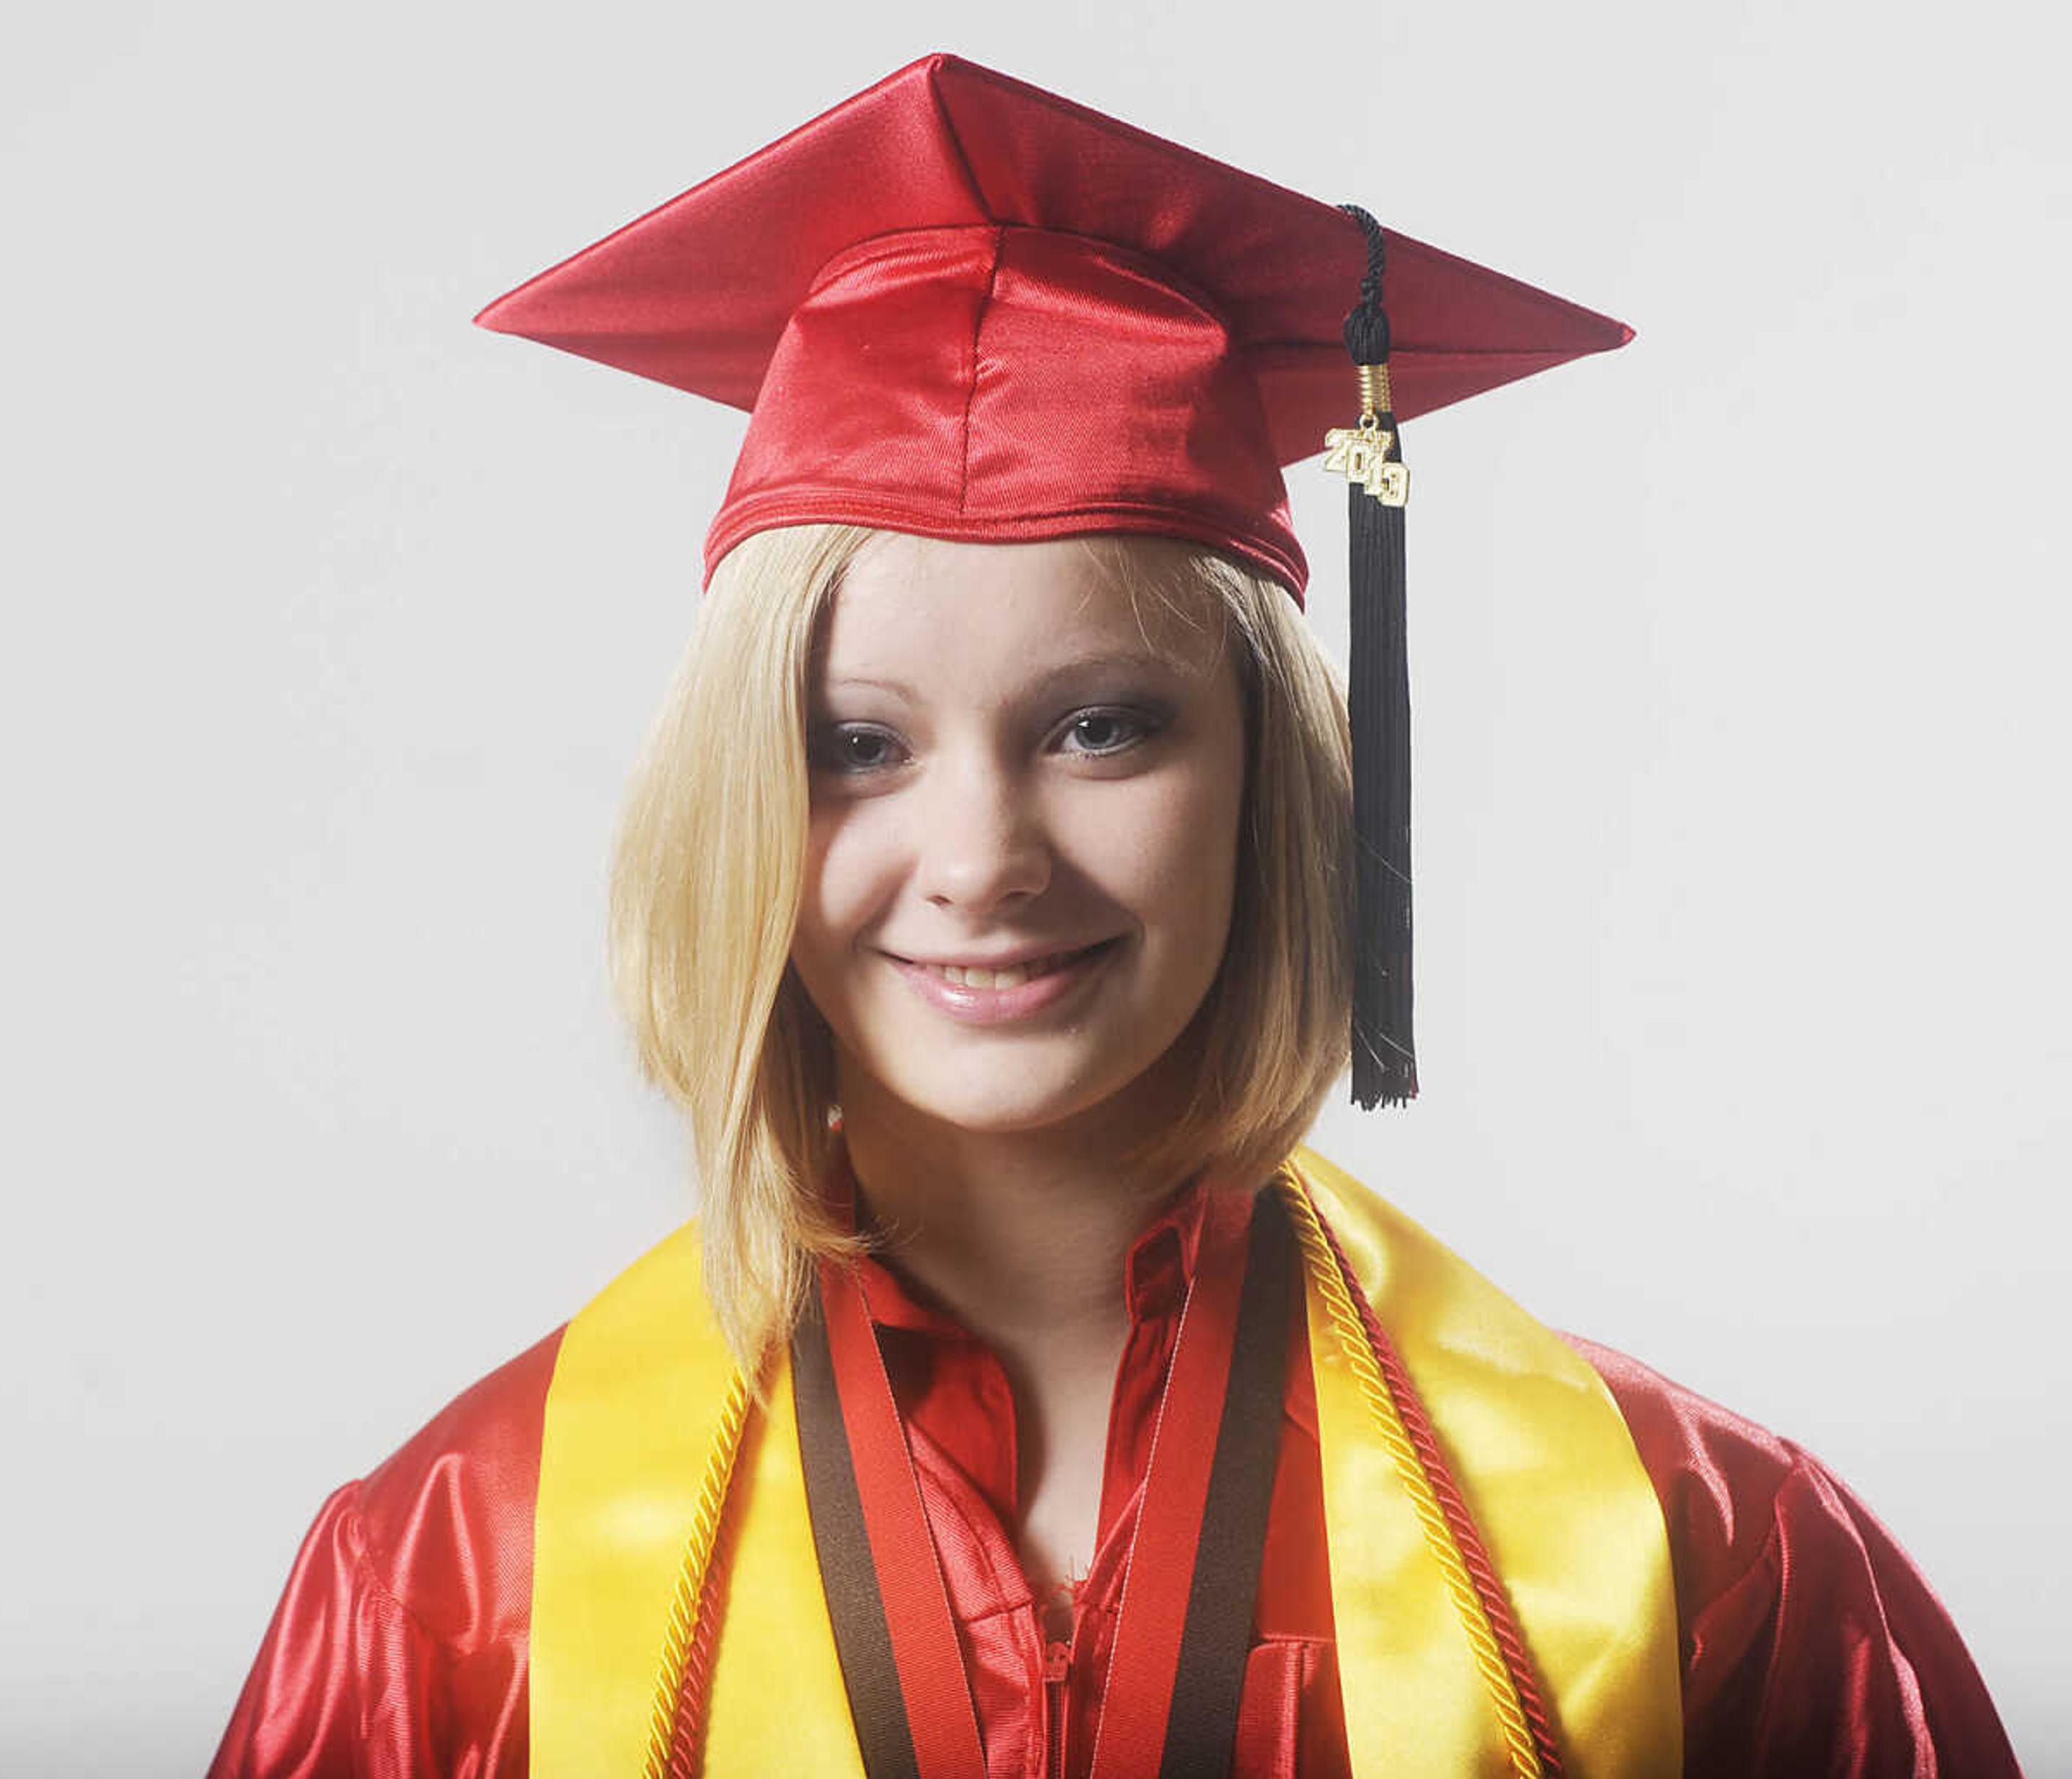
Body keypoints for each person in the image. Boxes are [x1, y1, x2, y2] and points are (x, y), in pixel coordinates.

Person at [208, 54, 2017, 1778]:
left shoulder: (1690, 1563)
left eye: (1102, 725)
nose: (983, 854)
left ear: (1273, 777)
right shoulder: (459, 1585)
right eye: (855, 744)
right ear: (735, 804)